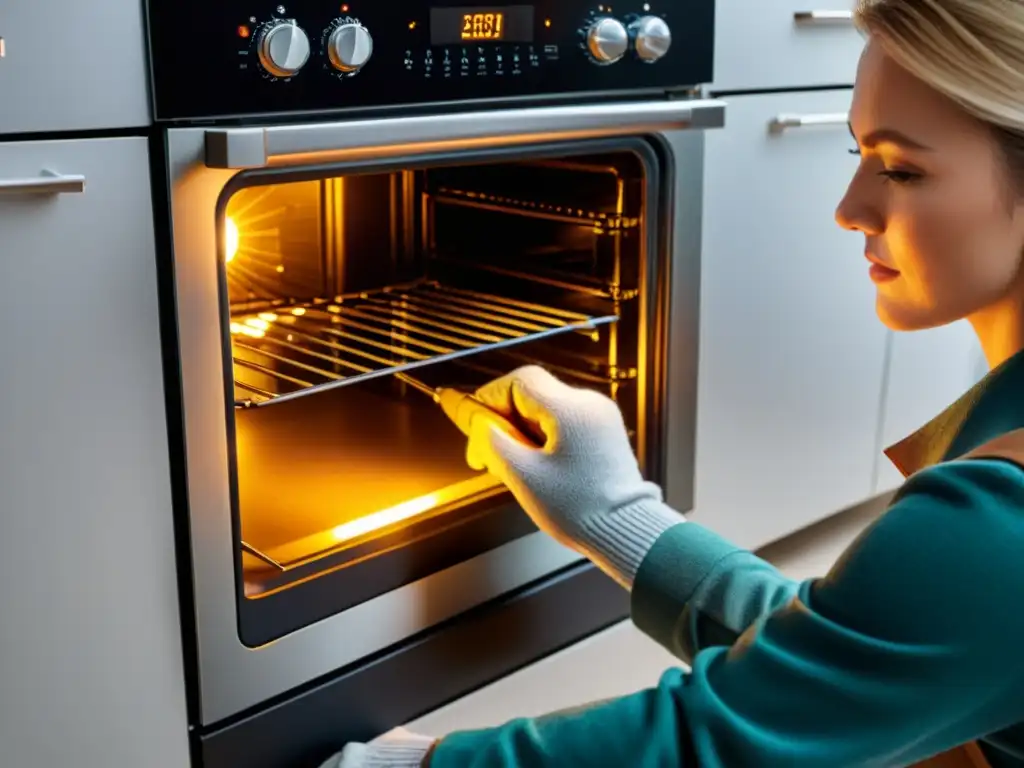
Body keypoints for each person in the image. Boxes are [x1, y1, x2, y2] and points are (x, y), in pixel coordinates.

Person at [321, 0, 1024, 764]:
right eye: (856, 155)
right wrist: (616, 515)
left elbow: (712, 744)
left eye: (901, 168)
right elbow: (859, 664)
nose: (849, 209)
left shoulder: (996, 524)